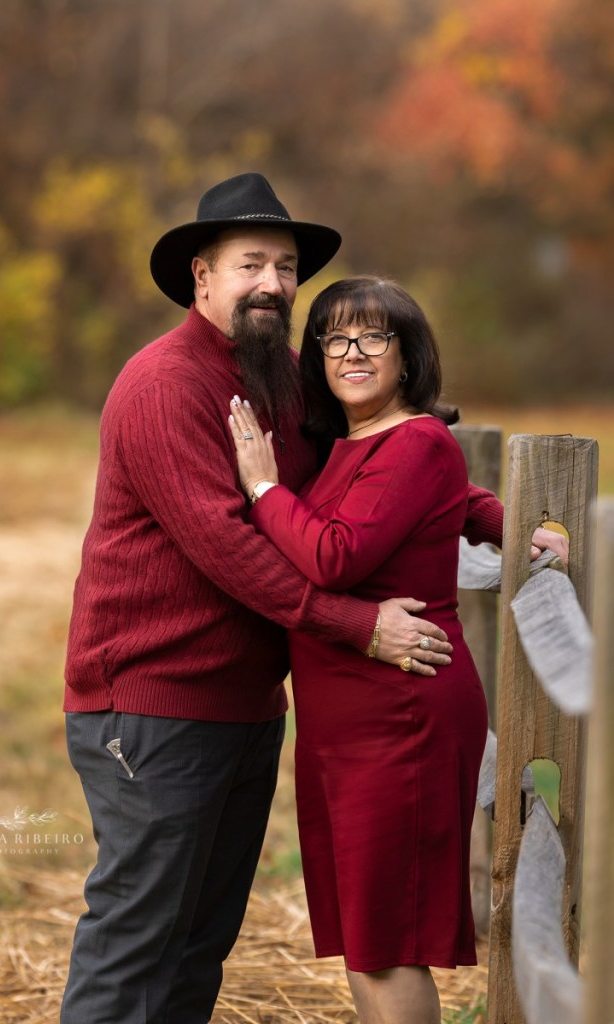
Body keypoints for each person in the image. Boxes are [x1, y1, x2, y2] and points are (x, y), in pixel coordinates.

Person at [60, 174, 565, 1024]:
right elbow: (228, 545)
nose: (272, 283)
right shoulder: (166, 386)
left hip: (249, 705)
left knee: (197, 942)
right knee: (138, 936)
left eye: (286, 267)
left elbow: (368, 473)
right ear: (202, 278)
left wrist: (490, 517)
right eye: (250, 263)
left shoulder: (283, 383)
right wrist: (358, 625)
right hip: (154, 704)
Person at [225, 275, 522, 1023]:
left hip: (402, 715)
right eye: (334, 337)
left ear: (406, 353)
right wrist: (498, 519)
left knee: (388, 943)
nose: (352, 352)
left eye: (373, 336)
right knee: (366, 937)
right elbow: (429, 499)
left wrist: (263, 491)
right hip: (343, 725)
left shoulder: (414, 437)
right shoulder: (342, 444)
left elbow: (334, 555)